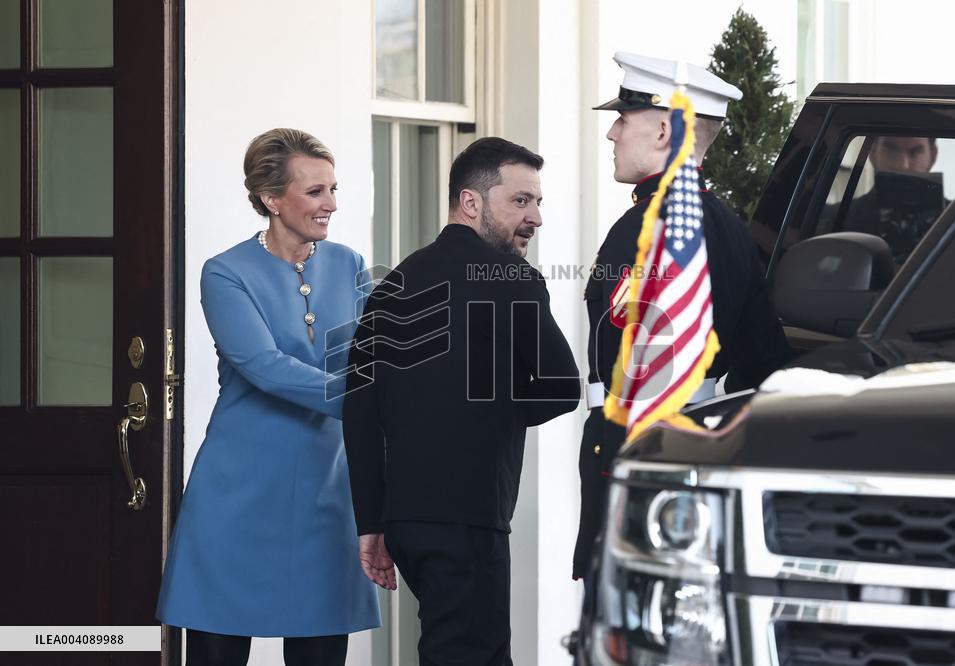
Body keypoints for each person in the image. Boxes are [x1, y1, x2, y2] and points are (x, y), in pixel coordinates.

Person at [343, 137, 581, 666]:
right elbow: (562, 385)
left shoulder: (393, 285)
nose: (535, 217)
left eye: (538, 202)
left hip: (404, 520)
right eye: (521, 201)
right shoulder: (513, 278)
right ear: (471, 202)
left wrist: (372, 522)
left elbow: (359, 408)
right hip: (469, 517)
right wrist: (489, 410)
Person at [156, 128, 380, 666]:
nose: (330, 204)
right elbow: (263, 367)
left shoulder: (349, 264)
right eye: (315, 192)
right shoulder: (225, 272)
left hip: (327, 496)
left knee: (321, 650)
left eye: (333, 189)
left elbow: (373, 361)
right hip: (238, 496)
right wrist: (367, 401)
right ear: (271, 199)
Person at [573, 53, 789, 581]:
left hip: (644, 448)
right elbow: (765, 359)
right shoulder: (730, 227)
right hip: (706, 440)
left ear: (665, 129)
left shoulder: (647, 228)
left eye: (624, 119)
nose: (611, 133)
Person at [839, 135, 943, 263]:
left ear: (932, 156)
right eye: (891, 150)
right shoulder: (837, 217)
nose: (903, 164)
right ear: (872, 153)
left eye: (915, 152)